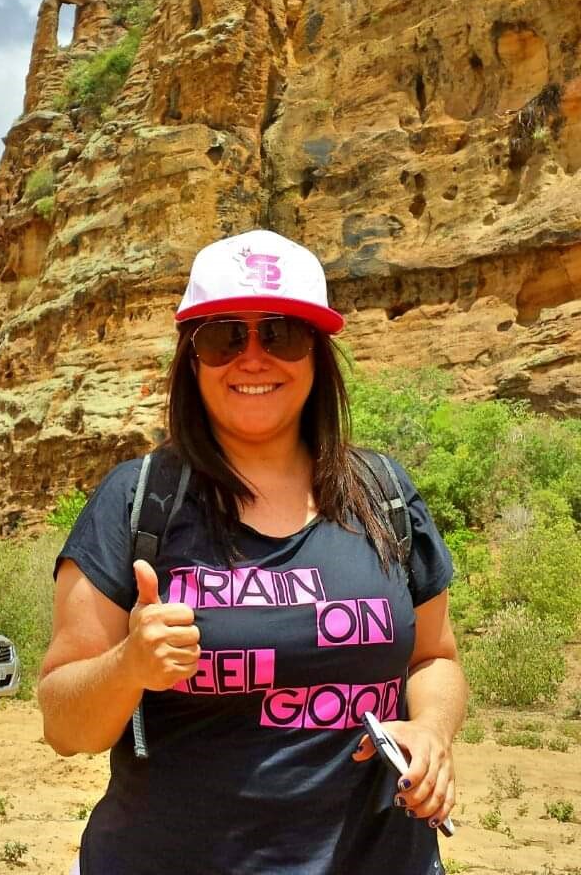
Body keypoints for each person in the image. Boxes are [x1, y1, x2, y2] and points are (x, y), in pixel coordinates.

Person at [39, 229, 468, 875]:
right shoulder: (137, 500)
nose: (253, 358)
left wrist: (431, 730)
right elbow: (64, 725)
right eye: (223, 337)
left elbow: (435, 657)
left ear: (317, 354)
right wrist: (129, 665)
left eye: (282, 333)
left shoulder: (383, 495)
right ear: (192, 359)